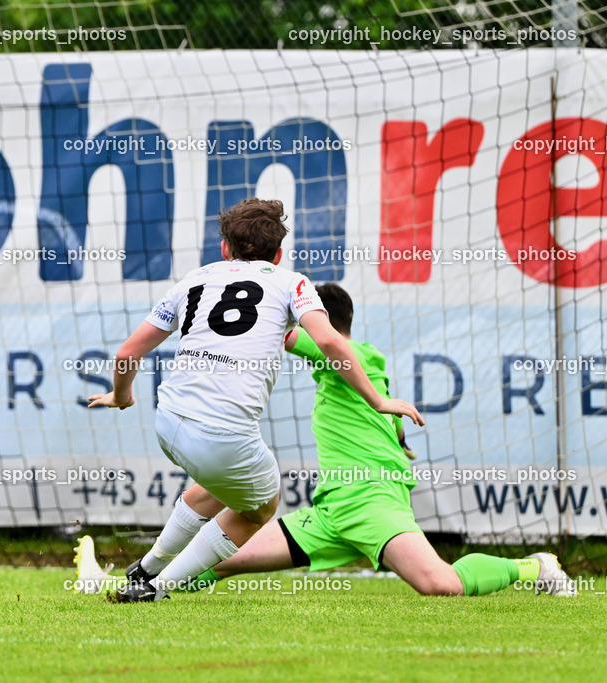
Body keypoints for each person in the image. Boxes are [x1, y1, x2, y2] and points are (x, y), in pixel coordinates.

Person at [86, 198, 424, 602]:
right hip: (222, 436)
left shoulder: (192, 280)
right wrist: (379, 402)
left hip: (168, 422)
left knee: (214, 487)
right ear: (278, 254)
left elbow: (126, 355)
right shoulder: (291, 282)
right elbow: (331, 339)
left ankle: (145, 568)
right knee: (260, 507)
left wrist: (121, 397)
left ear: (225, 247)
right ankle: (154, 590)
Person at [183, 282, 575, 597]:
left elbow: (292, 338)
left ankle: (537, 565)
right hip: (332, 510)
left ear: (320, 321)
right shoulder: (361, 371)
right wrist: (401, 441)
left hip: (371, 500)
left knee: (440, 583)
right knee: (220, 558)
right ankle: (147, 587)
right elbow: (396, 428)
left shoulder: (346, 353)